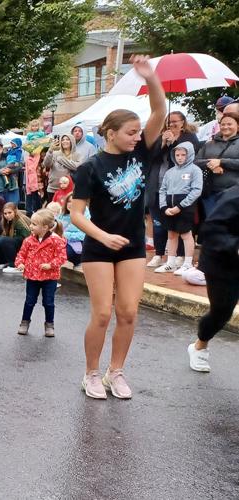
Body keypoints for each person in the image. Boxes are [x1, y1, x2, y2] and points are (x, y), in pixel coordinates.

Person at [69, 55, 166, 400]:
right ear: (111, 133)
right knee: (102, 313)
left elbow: (159, 113)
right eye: (130, 132)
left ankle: (116, 372)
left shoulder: (140, 155)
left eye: (139, 132)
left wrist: (151, 78)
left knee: (127, 311)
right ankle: (91, 373)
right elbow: (76, 213)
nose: (137, 137)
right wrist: (102, 236)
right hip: (99, 246)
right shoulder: (90, 168)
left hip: (133, 246)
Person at [188, 185, 239, 372]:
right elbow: (210, 229)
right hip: (222, 262)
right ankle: (199, 346)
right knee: (222, 312)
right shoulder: (233, 196)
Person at [14, 209, 67, 337]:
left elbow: (62, 257)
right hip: (32, 276)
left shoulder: (56, 240)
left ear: (45, 227)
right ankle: (24, 322)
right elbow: (21, 254)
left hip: (50, 277)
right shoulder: (28, 240)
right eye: (31, 223)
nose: (30, 226)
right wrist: (20, 263)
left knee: (48, 302)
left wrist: (51, 265)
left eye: (34, 224)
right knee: (29, 301)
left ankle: (49, 324)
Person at [156, 141, 203, 275]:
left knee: (186, 234)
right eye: (177, 155)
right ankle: (170, 263)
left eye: (183, 154)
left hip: (185, 207)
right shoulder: (170, 172)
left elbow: (196, 191)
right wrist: (164, 206)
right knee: (171, 234)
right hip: (169, 207)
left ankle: (187, 263)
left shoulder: (195, 170)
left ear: (189, 155)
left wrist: (180, 206)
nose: (180, 157)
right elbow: (162, 189)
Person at [194, 111, 239, 217]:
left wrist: (221, 162)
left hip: (233, 193)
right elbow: (196, 162)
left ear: (237, 125)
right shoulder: (209, 144)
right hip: (210, 193)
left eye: (229, 124)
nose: (225, 127)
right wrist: (211, 164)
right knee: (213, 225)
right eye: (223, 124)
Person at [0, 202, 32, 273]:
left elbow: (28, 239)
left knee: (4, 240)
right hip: (17, 244)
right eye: (5, 213)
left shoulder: (21, 221)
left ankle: (14, 265)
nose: (7, 215)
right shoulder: (8, 221)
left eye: (9, 212)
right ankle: (3, 262)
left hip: (26, 247)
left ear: (15, 211)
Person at [45, 134, 80, 200]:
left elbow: (76, 167)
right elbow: (47, 164)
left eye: (67, 139)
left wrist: (61, 160)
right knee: (53, 209)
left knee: (67, 209)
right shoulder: (55, 153)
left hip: (69, 190)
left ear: (72, 141)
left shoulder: (77, 155)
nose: (64, 141)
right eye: (63, 140)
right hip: (53, 189)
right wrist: (50, 151)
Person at [57, 195, 87, 268]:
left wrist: (65, 235)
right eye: (69, 202)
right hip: (63, 240)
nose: (71, 204)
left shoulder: (85, 215)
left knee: (66, 252)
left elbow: (84, 235)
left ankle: (78, 263)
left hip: (79, 242)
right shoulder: (62, 215)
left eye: (74, 202)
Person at [24, 146, 48, 214]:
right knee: (37, 203)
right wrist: (28, 187)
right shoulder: (29, 160)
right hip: (35, 185)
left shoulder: (45, 159)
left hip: (45, 183)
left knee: (44, 201)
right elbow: (27, 174)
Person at [1, 138, 24, 204]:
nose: (12, 145)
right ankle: (8, 182)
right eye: (12, 143)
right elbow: (6, 154)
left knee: (5, 170)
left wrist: (17, 161)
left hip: (13, 163)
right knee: (9, 174)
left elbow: (18, 157)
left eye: (13, 143)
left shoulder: (18, 150)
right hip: (9, 163)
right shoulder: (11, 149)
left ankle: (7, 182)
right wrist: (4, 151)